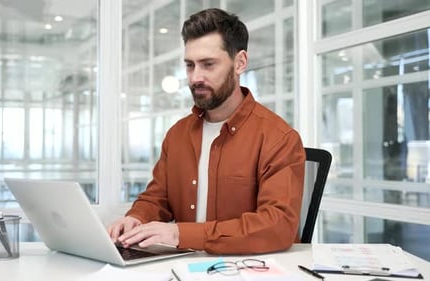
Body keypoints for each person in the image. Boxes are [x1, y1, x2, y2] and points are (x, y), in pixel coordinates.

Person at [107, 8, 305, 255]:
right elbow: (157, 197)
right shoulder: (177, 134)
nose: (195, 77)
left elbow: (277, 226)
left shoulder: (278, 138)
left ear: (240, 62)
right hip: (182, 266)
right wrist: (136, 218)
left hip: (249, 269)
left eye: (208, 64)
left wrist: (180, 234)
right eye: (190, 65)